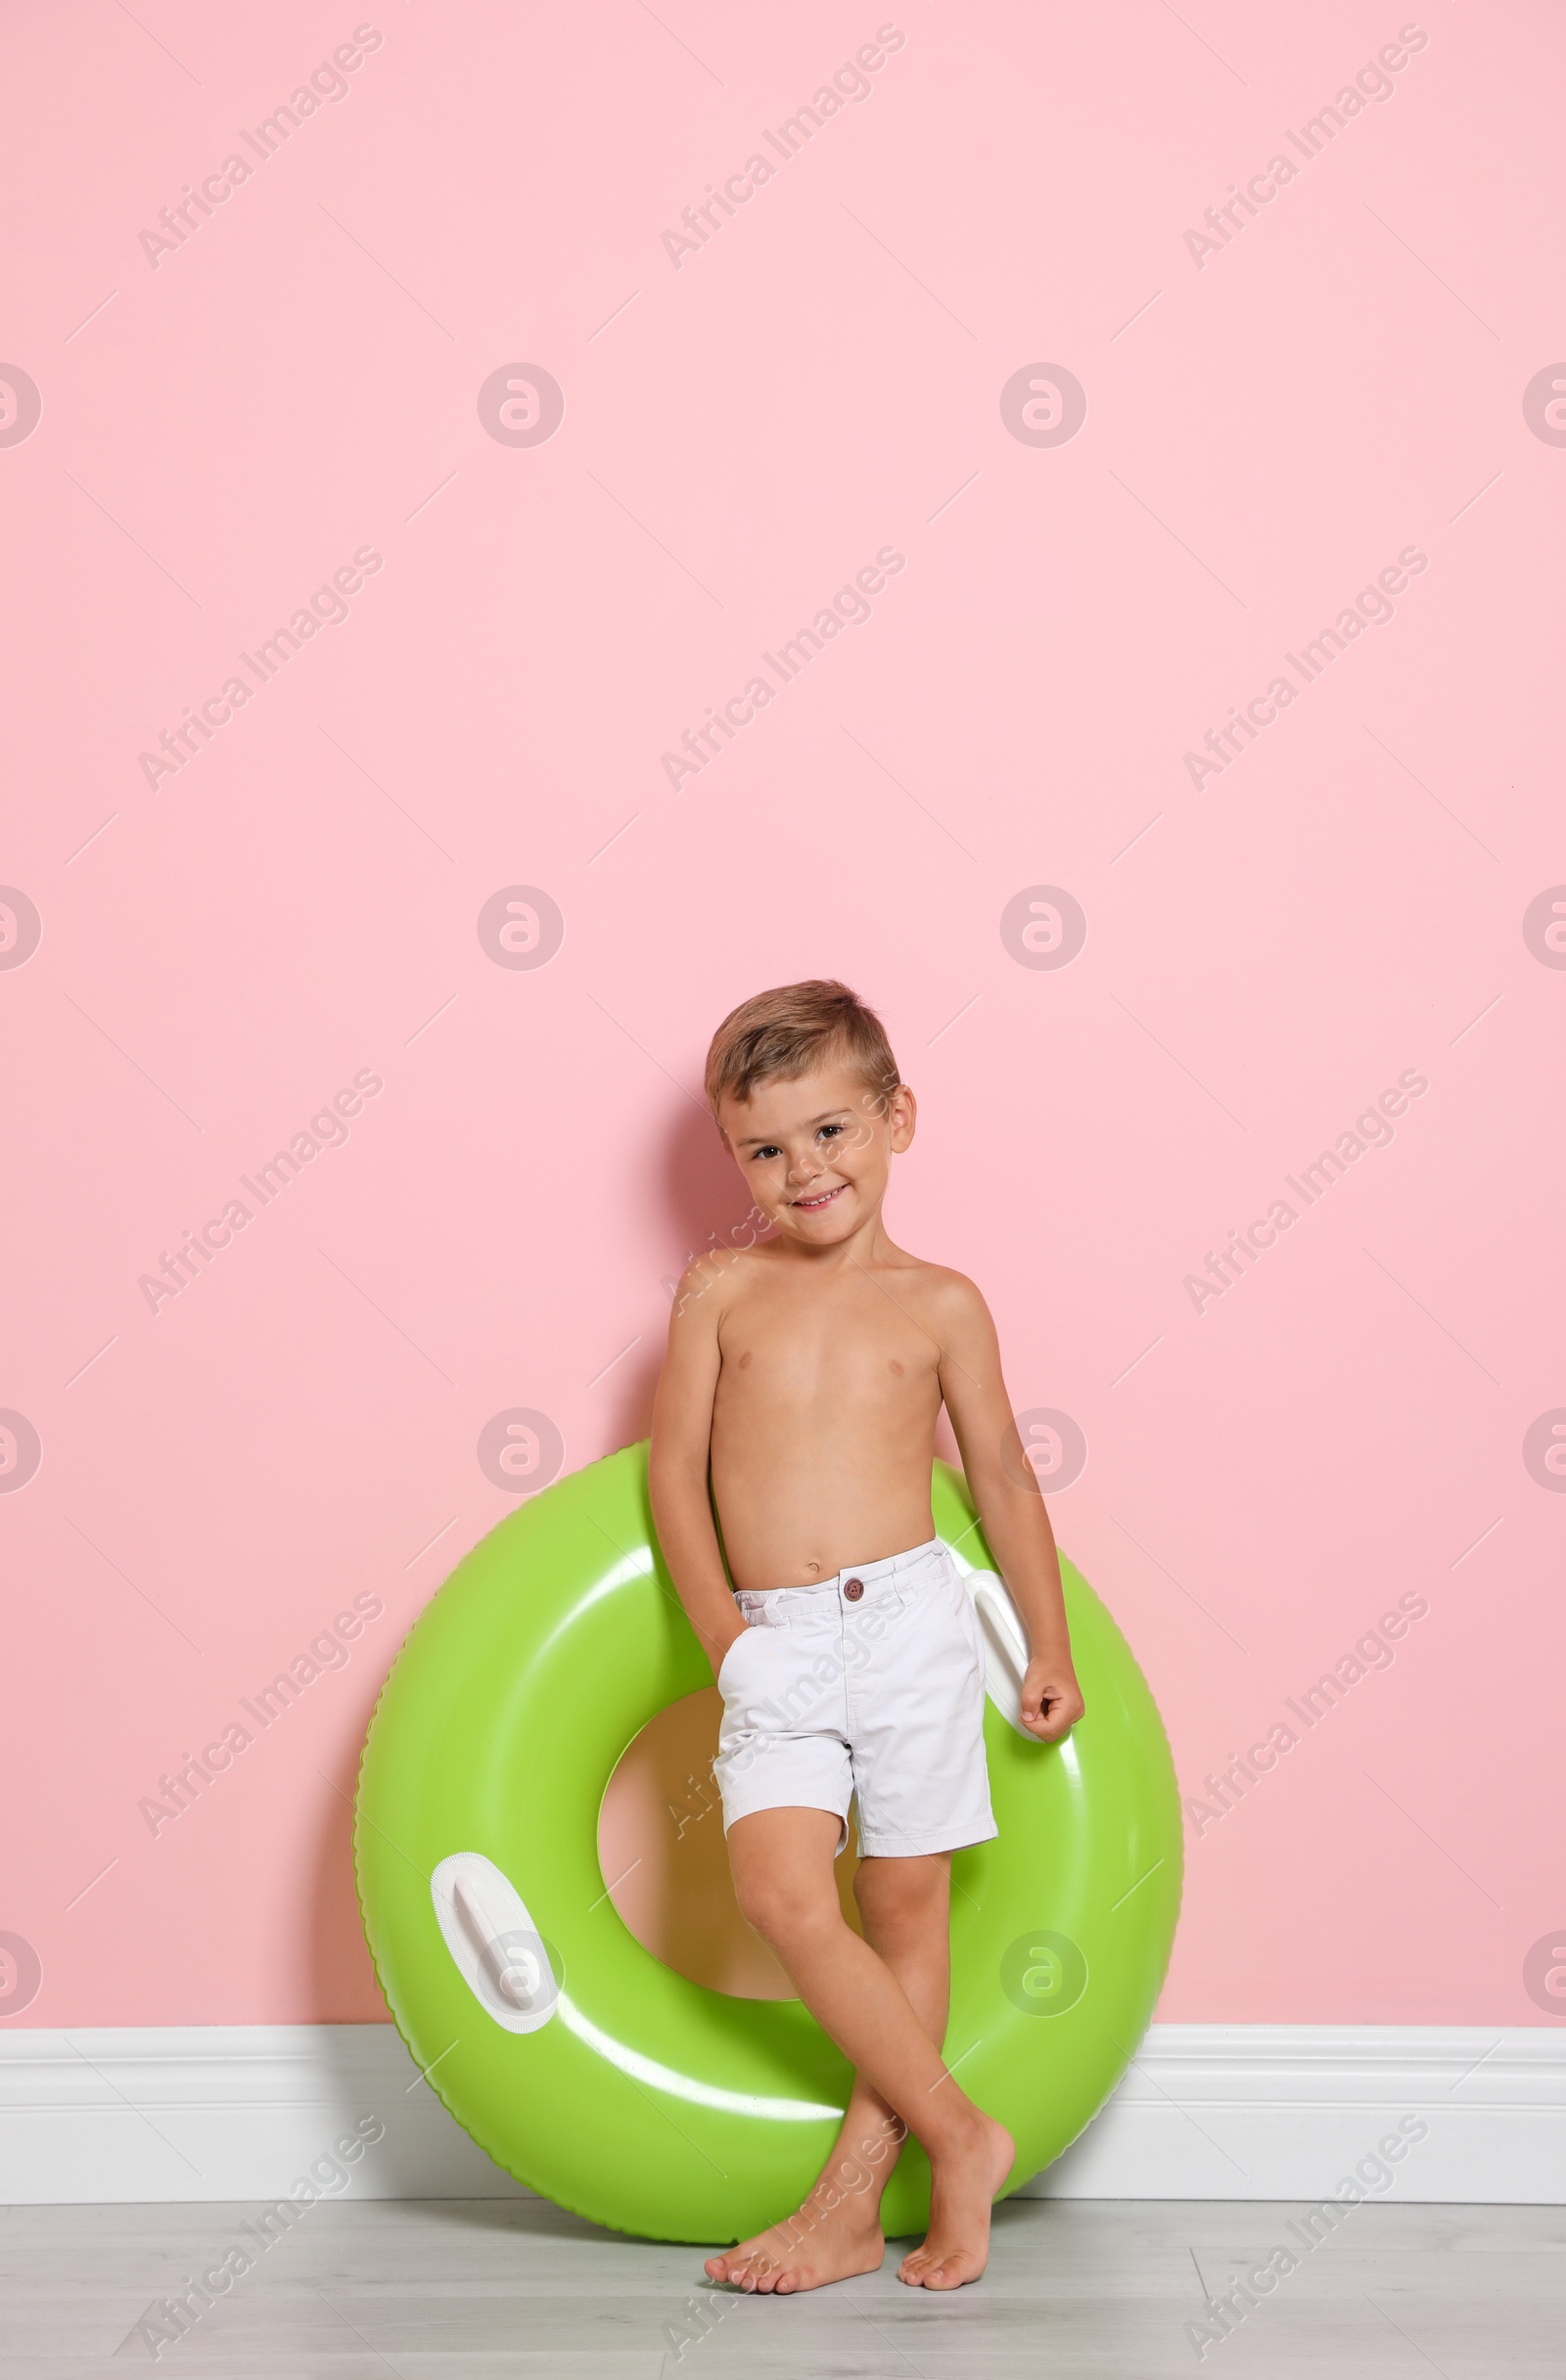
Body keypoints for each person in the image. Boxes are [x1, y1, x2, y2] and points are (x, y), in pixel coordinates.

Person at [649, 979, 1083, 2295]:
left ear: (898, 1118)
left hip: (909, 1626)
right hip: (775, 1639)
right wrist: (727, 1641)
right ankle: (962, 2134)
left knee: (904, 1905)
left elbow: (1002, 1477)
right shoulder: (722, 1291)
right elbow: (674, 1477)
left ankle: (849, 2206)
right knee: (784, 1893)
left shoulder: (946, 1304)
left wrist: (1048, 1646)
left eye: (832, 1131)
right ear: (734, 1159)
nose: (803, 1171)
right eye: (765, 1148)